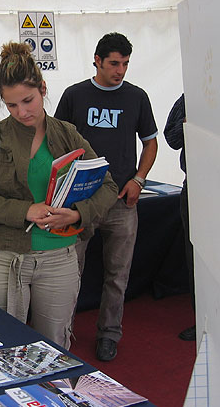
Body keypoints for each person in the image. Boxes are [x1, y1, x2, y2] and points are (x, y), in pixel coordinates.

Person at [0, 42, 118, 350]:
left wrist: (78, 214)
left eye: (28, 100)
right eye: (11, 105)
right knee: (3, 348)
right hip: (5, 258)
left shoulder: (67, 133)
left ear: (43, 89)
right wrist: (25, 210)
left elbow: (109, 186)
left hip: (60, 258)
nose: (22, 112)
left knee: (55, 350)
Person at [54, 32, 158, 361]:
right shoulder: (74, 95)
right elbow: (57, 145)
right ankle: (62, 333)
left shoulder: (137, 97)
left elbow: (151, 142)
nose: (120, 70)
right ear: (97, 61)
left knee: (118, 274)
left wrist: (139, 180)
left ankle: (109, 333)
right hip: (81, 203)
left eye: (125, 63)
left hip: (121, 204)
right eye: (114, 63)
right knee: (70, 272)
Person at [164, 94, 196, 341]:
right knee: (194, 253)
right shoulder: (188, 98)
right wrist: (189, 121)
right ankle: (202, 316)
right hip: (195, 186)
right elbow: (172, 139)